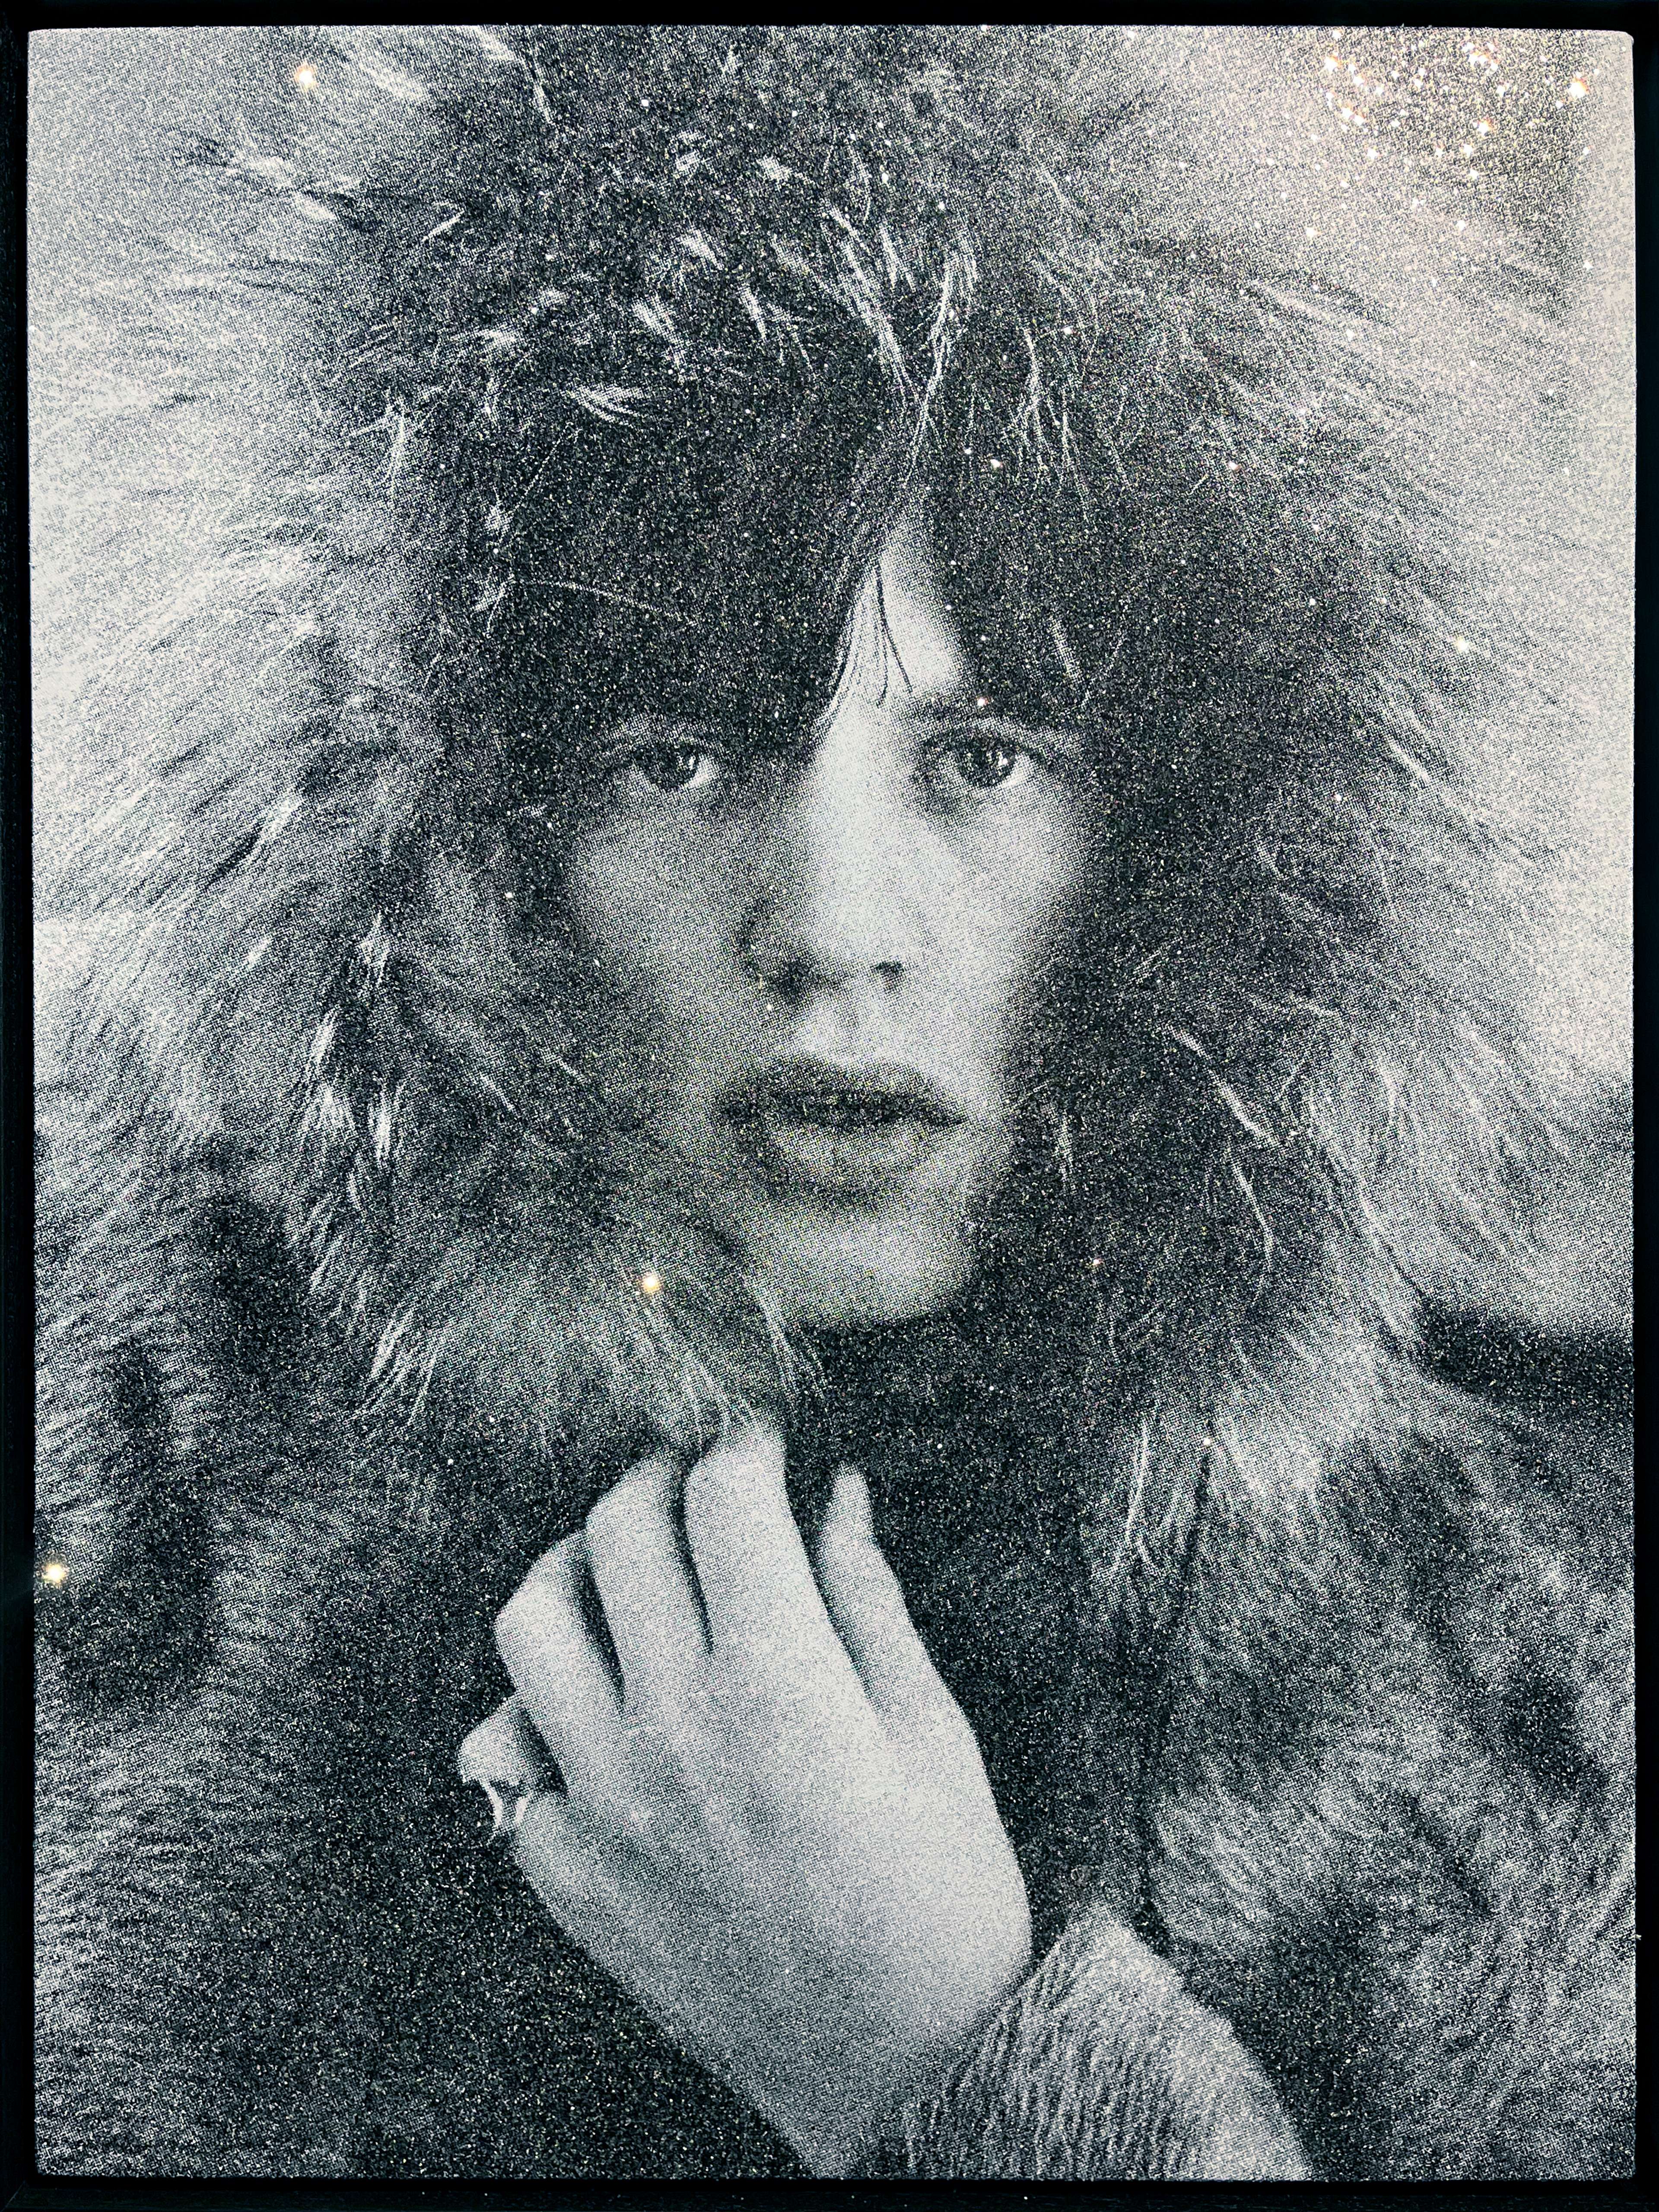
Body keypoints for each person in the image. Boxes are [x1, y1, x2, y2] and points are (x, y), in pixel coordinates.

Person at [33, 24, 1631, 2179]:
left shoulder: (1544, 1662)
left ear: (1203, 845)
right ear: (464, 831)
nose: (836, 929)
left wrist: (958, 2066)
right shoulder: (122, 1491)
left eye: (984, 760)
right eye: (680, 750)